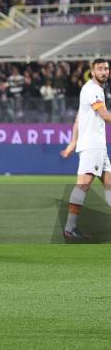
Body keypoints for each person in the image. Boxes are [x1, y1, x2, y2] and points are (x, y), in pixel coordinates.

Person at [60, 59, 111, 241]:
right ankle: (69, 228)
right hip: (93, 146)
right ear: (92, 71)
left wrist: (73, 143)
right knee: (83, 185)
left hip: (98, 146)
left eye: (106, 68)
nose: (104, 72)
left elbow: (79, 118)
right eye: (100, 69)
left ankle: (70, 228)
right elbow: (104, 115)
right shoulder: (92, 89)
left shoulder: (94, 90)